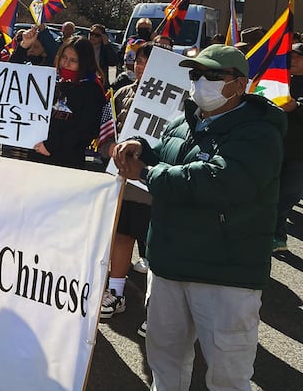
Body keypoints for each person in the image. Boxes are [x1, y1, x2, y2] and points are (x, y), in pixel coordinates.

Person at [113, 44, 285, 391]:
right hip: (170, 264)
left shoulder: (259, 132)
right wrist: (138, 146)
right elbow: (165, 155)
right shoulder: (183, 120)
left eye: (213, 75)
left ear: (239, 84)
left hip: (225, 273)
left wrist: (146, 172)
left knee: (228, 373)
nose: (201, 82)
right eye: (195, 73)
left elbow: (217, 181)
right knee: (165, 361)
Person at [98, 44, 154, 321]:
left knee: (156, 245)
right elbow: (104, 136)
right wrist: (110, 150)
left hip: (153, 186)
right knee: (120, 236)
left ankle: (158, 309)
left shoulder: (181, 101)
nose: (140, 67)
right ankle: (116, 292)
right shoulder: (121, 94)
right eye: (138, 62)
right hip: (120, 183)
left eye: (147, 62)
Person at [32, 36, 106, 169]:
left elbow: (87, 130)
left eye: (73, 60)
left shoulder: (92, 89)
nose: (66, 63)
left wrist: (51, 146)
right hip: (38, 153)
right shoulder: (54, 80)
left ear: (84, 62)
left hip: (67, 161)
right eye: (64, 57)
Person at [273, 42, 303, 253]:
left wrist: (296, 107)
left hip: (298, 153)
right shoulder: (278, 79)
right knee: (271, 193)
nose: (292, 60)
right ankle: (276, 235)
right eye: (290, 56)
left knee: (289, 194)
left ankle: (276, 233)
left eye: (298, 57)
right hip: (274, 147)